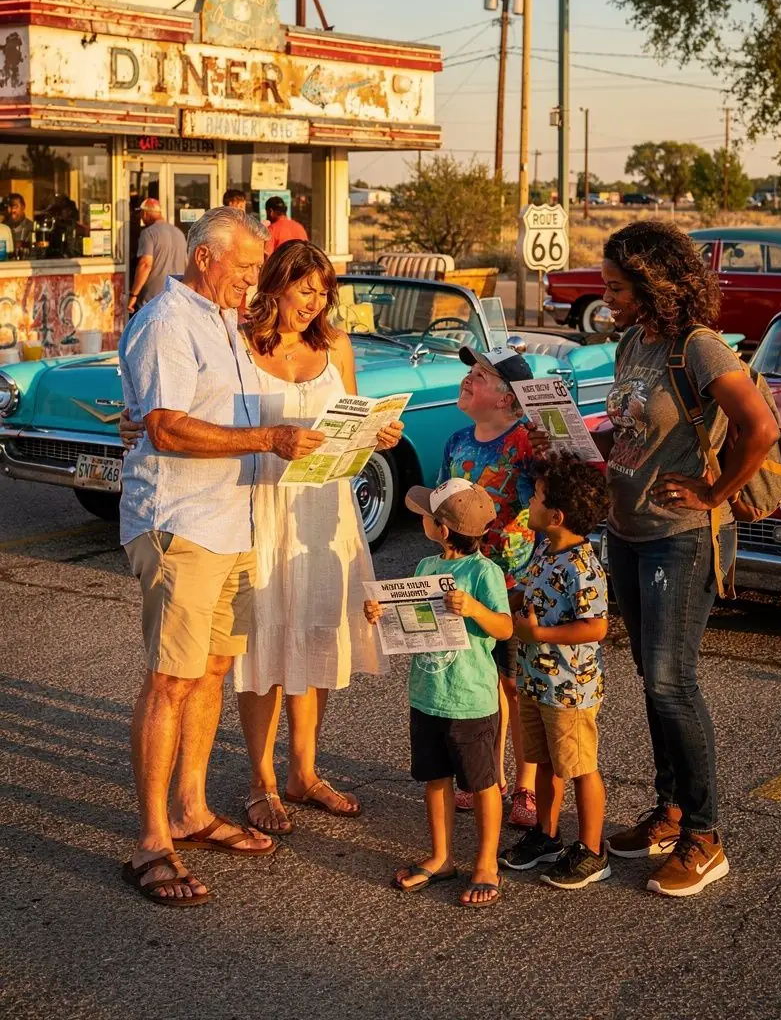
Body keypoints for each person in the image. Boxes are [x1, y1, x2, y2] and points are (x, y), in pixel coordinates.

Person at [118, 207, 326, 908]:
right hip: (182, 523)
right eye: (244, 267)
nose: (253, 280)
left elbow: (192, 412)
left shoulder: (224, 321)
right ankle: (153, 841)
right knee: (170, 681)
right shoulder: (167, 321)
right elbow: (167, 427)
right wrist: (268, 440)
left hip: (232, 522)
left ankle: (192, 810)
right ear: (205, 256)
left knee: (209, 672)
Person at [598, 220, 779, 897]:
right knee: (653, 677)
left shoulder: (699, 347)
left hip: (681, 534)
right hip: (627, 530)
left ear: (654, 285)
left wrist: (714, 492)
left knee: (673, 682)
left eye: (618, 287)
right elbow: (631, 431)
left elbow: (759, 427)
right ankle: (669, 812)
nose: (607, 297)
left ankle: (705, 836)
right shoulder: (632, 342)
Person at [232, 240, 403, 829]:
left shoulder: (335, 345)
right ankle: (261, 781)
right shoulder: (239, 342)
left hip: (325, 509)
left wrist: (379, 435)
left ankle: (304, 772)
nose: (314, 302)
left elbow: (354, 419)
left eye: (323, 292)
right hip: (261, 506)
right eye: (304, 290)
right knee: (262, 641)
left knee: (316, 633)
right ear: (275, 284)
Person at [364, 478, 513, 907]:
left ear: (443, 529)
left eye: (427, 516)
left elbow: (505, 628)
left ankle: (486, 863)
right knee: (434, 777)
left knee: (483, 784)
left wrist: (475, 608)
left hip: (471, 699)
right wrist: (380, 612)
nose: (423, 520)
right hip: (427, 693)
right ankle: (441, 856)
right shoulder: (426, 567)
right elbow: (408, 619)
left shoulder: (484, 572)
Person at [437, 345, 541, 827]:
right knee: (483, 684)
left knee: (516, 685)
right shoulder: (457, 441)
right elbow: (441, 503)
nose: (468, 380)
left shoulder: (526, 443)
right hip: (467, 583)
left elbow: (543, 507)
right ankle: (489, 778)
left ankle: (526, 785)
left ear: (506, 399)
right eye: (470, 373)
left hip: (514, 584)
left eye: (479, 375)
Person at [501, 452, 611, 890]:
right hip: (536, 681)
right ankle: (546, 836)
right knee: (543, 761)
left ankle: (592, 850)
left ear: (557, 515)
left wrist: (539, 634)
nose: (530, 501)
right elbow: (526, 593)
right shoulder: (546, 550)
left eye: (537, 496)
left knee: (581, 767)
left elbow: (596, 626)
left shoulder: (583, 567)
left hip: (569, 691)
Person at [128, 199, 187, 313]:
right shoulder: (179, 233)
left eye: (141, 214)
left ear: (145, 213)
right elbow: (186, 264)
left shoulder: (148, 233)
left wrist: (134, 295)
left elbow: (145, 265)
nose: (141, 218)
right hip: (175, 296)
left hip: (153, 299)